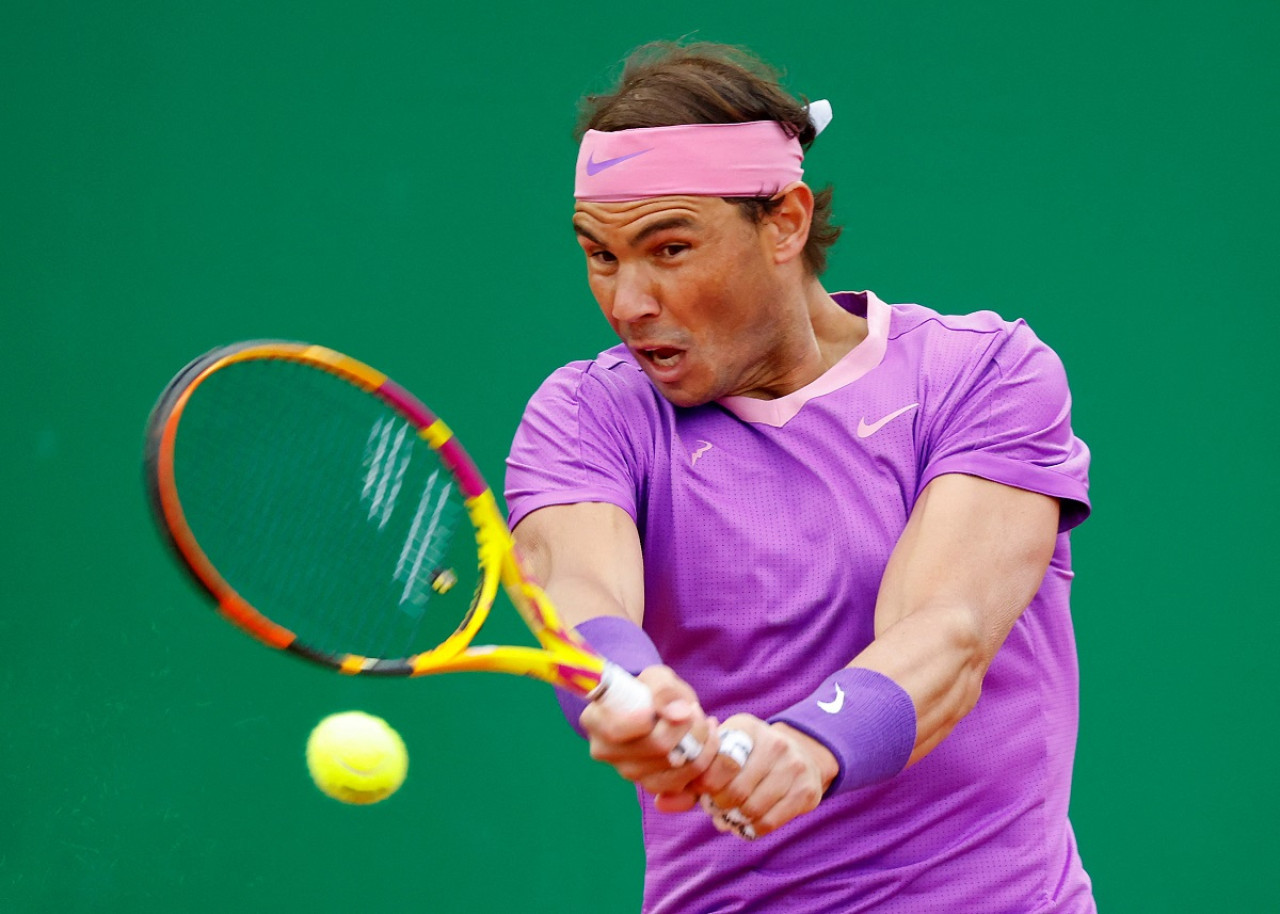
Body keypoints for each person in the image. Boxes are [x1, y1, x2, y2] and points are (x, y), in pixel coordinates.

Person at [505, 40, 1095, 913]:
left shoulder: (985, 376)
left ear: (783, 221)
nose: (629, 300)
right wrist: (626, 685)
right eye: (601, 255)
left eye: (668, 249)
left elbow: (949, 629)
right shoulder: (588, 415)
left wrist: (814, 744)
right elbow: (580, 586)